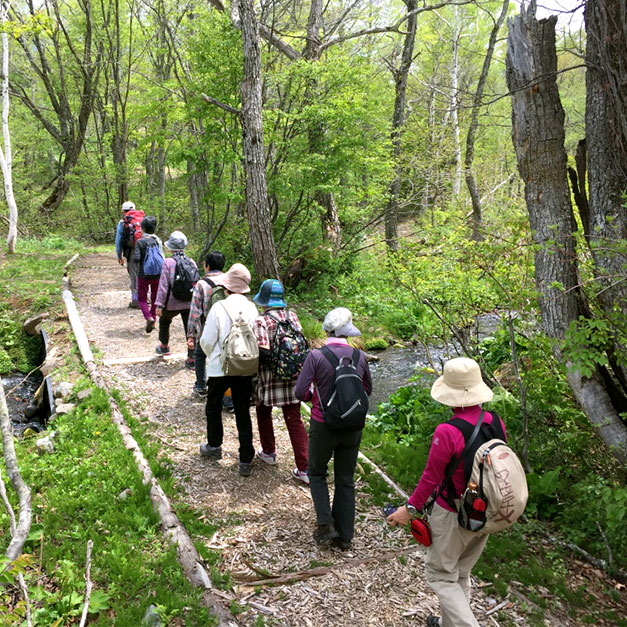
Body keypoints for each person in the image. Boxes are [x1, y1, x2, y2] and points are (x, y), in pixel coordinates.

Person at [386, 357, 505, 627]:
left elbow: (431, 478)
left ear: (450, 394)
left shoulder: (448, 431)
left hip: (453, 514)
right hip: (485, 514)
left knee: (441, 575)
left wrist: (409, 509)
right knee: (460, 572)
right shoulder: (494, 421)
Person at [294, 307, 372, 550]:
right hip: (353, 426)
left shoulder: (316, 357)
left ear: (327, 331)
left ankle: (326, 523)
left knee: (316, 472)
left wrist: (314, 397)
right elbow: (367, 390)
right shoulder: (359, 357)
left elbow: (300, 392)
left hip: (323, 423)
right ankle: (345, 536)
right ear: (347, 333)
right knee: (345, 478)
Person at [199, 263, 259, 477]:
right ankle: (245, 458)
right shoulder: (252, 308)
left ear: (227, 288)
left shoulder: (219, 307)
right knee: (243, 412)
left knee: (213, 406)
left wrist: (212, 356)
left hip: (220, 367)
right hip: (244, 367)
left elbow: (206, 340)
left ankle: (214, 446)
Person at [252, 279, 309, 484]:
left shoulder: (262, 321)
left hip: (270, 379)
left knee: (263, 410)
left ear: (265, 301)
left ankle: (269, 452)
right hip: (295, 377)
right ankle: (305, 468)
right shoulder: (292, 317)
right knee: (294, 419)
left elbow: (263, 352)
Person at [154, 231, 198, 365]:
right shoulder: (191, 261)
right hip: (189, 302)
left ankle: (164, 346)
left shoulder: (168, 262)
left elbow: (163, 285)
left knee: (164, 320)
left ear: (170, 247)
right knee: (190, 328)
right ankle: (192, 358)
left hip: (172, 303)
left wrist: (159, 305)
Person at [187, 251, 226, 397]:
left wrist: (191, 334)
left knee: (199, 354)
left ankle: (201, 386)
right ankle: (226, 394)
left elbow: (195, 312)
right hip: (227, 328)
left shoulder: (201, 284)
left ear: (207, 266)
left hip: (206, 329)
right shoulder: (229, 281)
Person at [131, 216, 164, 333]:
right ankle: (154, 320)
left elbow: (136, 259)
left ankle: (148, 317)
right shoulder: (157, 241)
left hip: (143, 275)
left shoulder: (140, 242)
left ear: (143, 229)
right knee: (155, 298)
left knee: (142, 298)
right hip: (158, 275)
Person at [115, 200, 145, 307]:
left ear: (124, 211)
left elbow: (118, 241)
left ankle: (136, 300)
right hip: (145, 251)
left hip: (132, 251)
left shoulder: (123, 222)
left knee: (134, 275)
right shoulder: (143, 220)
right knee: (144, 274)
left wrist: (119, 256)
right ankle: (145, 298)